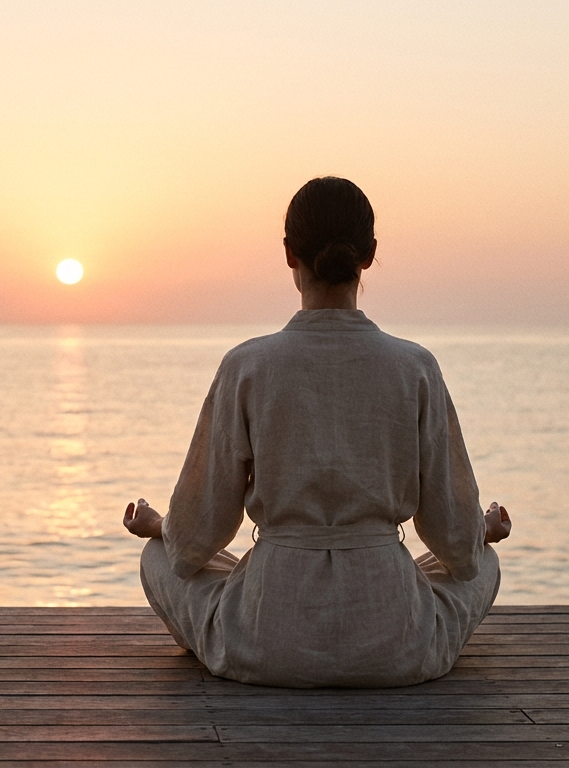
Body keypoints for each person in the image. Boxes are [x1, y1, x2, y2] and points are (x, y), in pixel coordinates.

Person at [123, 176, 512, 688]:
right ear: (369, 255)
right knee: (485, 565)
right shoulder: (414, 368)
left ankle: (216, 625)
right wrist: (481, 533)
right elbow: (457, 550)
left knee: (159, 557)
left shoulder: (247, 366)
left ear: (289, 254)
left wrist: (160, 528)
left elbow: (196, 539)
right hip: (395, 647)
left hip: (264, 642)